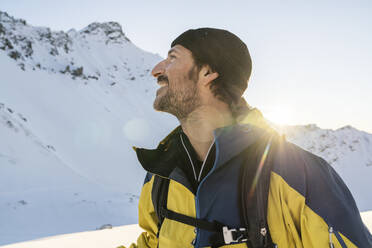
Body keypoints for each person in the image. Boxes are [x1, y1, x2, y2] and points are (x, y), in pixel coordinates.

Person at [119, 28, 372, 248]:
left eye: (172, 57)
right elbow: (155, 242)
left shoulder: (298, 174)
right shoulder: (161, 176)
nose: (156, 70)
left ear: (208, 72)